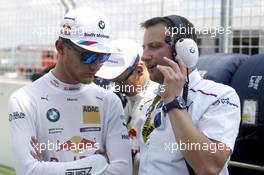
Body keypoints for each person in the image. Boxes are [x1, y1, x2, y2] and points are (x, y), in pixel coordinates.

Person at [8, 8, 132, 175]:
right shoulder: (24, 100)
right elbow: (28, 171)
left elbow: (122, 171)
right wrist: (97, 163)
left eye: (102, 56)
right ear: (60, 47)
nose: (95, 65)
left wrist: (45, 168)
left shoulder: (109, 101)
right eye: (87, 56)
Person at [138, 15, 241, 175]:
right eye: (144, 47)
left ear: (183, 50)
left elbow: (209, 166)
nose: (144, 56)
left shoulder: (220, 96)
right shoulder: (151, 102)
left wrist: (173, 102)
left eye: (154, 46)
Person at [96, 39, 158, 175]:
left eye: (119, 81)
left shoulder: (156, 103)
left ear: (140, 71)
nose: (115, 87)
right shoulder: (132, 97)